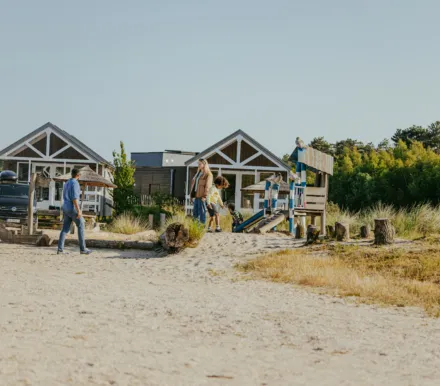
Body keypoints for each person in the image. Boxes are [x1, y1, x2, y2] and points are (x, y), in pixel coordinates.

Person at [57, 169, 92, 255]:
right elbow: (74, 198)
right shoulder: (75, 183)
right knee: (81, 225)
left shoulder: (67, 182)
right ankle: (83, 249)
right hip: (72, 208)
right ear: (78, 175)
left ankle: (60, 249)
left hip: (65, 207)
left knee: (65, 228)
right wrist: (79, 210)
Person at [191, 159, 213, 224]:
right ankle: (195, 227)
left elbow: (208, 186)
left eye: (200, 164)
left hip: (202, 197)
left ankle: (202, 228)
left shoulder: (208, 174)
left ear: (204, 164)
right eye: (198, 164)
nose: (198, 165)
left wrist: (205, 196)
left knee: (202, 212)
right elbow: (194, 185)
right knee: (195, 213)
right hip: (196, 196)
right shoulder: (198, 173)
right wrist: (191, 195)